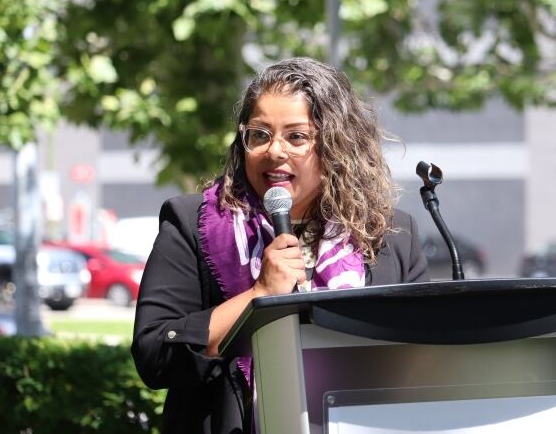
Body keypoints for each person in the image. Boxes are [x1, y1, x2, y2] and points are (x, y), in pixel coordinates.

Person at [131, 57, 429, 433]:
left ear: (337, 146)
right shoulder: (193, 224)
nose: (275, 151)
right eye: (260, 134)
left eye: (296, 136)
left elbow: (419, 364)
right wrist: (261, 294)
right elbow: (155, 355)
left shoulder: (389, 236)